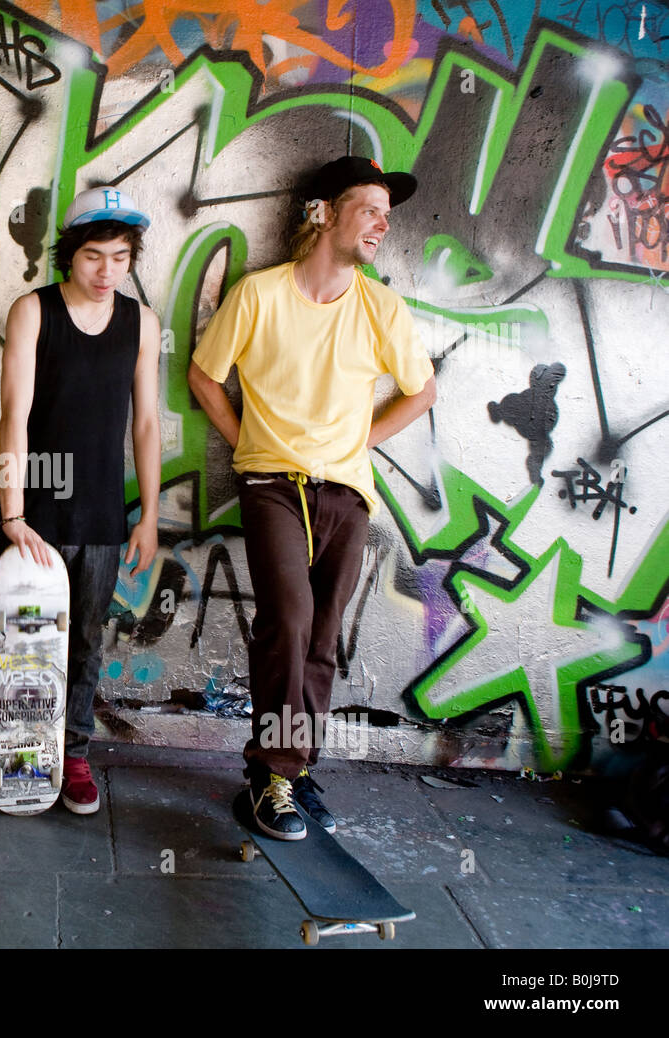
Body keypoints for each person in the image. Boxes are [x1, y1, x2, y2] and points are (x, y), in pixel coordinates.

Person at [187, 156, 436, 840]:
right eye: (369, 209)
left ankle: (291, 773)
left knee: (323, 637)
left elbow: (422, 391)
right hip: (271, 484)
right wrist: (249, 445)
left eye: (388, 214)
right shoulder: (259, 295)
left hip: (348, 494)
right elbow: (205, 377)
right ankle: (273, 771)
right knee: (290, 621)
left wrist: (361, 441)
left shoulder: (380, 306)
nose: (382, 224)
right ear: (324, 213)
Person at [0, 186, 162, 814]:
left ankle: (73, 754)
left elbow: (145, 424)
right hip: (36, 508)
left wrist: (147, 515)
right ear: (70, 254)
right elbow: (14, 414)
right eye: (95, 256)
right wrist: (12, 512)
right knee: (25, 638)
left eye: (120, 258)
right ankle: (21, 750)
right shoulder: (32, 311)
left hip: (100, 512)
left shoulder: (141, 323)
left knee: (86, 640)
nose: (107, 271)